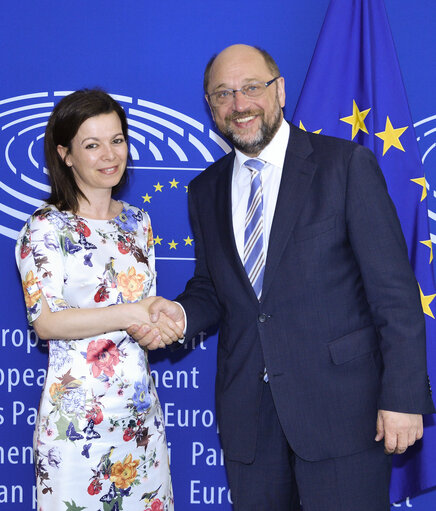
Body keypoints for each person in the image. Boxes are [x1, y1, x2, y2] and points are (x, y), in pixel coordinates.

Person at [128, 45, 435, 510]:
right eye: (223, 94)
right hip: (250, 423)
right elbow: (216, 288)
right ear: (211, 108)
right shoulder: (205, 189)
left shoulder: (345, 166)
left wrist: (404, 397)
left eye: (251, 87)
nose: (240, 104)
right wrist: (181, 313)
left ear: (280, 90)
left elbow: (393, 293)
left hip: (343, 417)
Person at [15, 89, 181, 511]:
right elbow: (47, 322)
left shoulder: (137, 221)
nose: (110, 154)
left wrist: (159, 324)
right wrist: (131, 313)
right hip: (76, 426)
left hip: (140, 419)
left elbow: (144, 309)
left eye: (117, 140)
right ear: (65, 154)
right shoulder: (44, 229)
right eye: (92, 144)